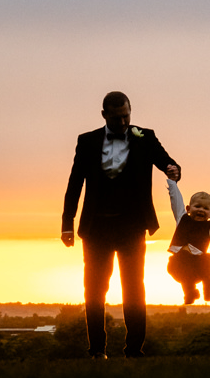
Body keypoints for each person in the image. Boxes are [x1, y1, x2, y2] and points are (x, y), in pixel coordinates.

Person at [61, 90, 182, 357]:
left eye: (126, 116)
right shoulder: (87, 141)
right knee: (94, 290)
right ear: (104, 115)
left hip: (132, 226)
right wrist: (67, 224)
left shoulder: (145, 136)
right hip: (96, 228)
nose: (124, 122)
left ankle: (134, 350)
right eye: (117, 118)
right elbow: (74, 184)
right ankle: (96, 350)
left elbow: (167, 162)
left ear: (130, 111)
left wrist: (174, 169)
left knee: (134, 287)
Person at [165, 181, 210, 305]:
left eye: (205, 208)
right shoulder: (182, 218)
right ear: (188, 208)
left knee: (208, 259)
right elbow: (176, 200)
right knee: (176, 265)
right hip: (180, 266)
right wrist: (172, 181)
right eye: (197, 206)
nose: (201, 210)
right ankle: (190, 292)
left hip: (199, 268)